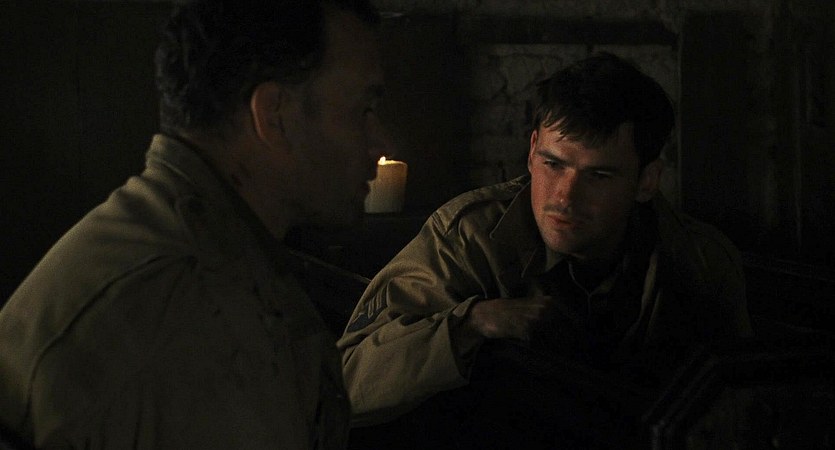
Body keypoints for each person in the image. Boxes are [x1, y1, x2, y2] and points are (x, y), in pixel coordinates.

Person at [0, 0, 386, 448]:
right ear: (274, 116)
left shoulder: (179, 240)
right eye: (364, 109)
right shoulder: (191, 315)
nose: (381, 143)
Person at [337, 52, 754, 446]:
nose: (565, 198)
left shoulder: (700, 260)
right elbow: (346, 384)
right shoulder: (469, 238)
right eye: (553, 164)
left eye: (599, 176)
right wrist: (472, 324)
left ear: (646, 181)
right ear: (532, 150)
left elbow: (739, 411)